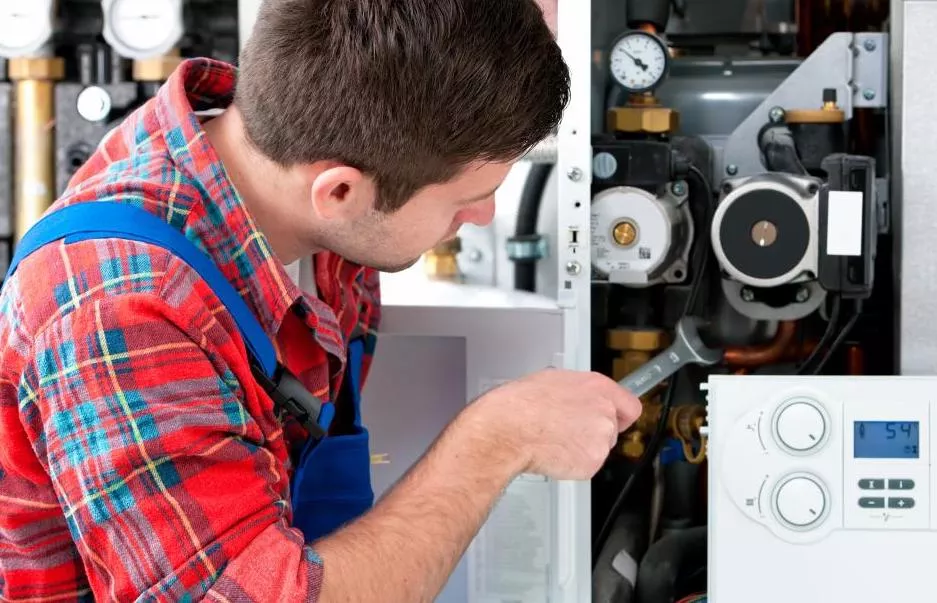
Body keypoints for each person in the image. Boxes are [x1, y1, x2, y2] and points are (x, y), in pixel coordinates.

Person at [0, 0, 641, 601]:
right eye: (463, 198)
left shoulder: (315, 176)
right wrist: (496, 442)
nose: (484, 215)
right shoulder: (121, 304)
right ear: (339, 192)